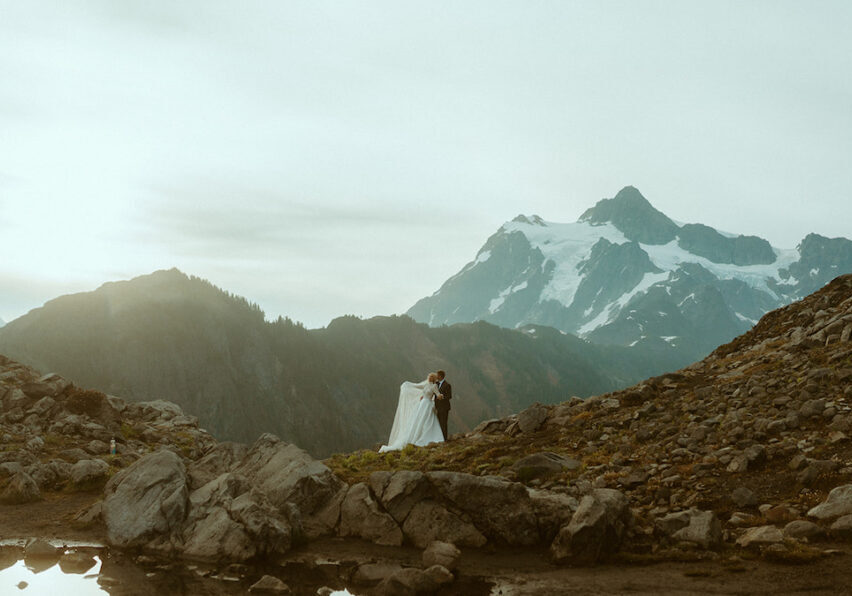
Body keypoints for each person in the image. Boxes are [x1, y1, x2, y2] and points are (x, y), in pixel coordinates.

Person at [379, 372, 445, 452]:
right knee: (420, 420)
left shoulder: (434, 386)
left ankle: (424, 436)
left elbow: (437, 394)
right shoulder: (426, 385)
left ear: (433, 378)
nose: (430, 378)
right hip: (423, 403)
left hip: (426, 404)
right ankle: (418, 436)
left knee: (425, 420)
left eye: (431, 377)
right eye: (429, 376)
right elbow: (417, 387)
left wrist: (440, 396)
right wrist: (407, 384)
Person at [434, 369, 452, 440]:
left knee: (443, 423)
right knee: (438, 423)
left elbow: (449, 396)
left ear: (441, 376)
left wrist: (442, 397)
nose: (436, 376)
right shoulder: (436, 384)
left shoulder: (447, 385)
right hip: (438, 407)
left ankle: (444, 439)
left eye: (437, 375)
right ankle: (439, 438)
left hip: (444, 407)